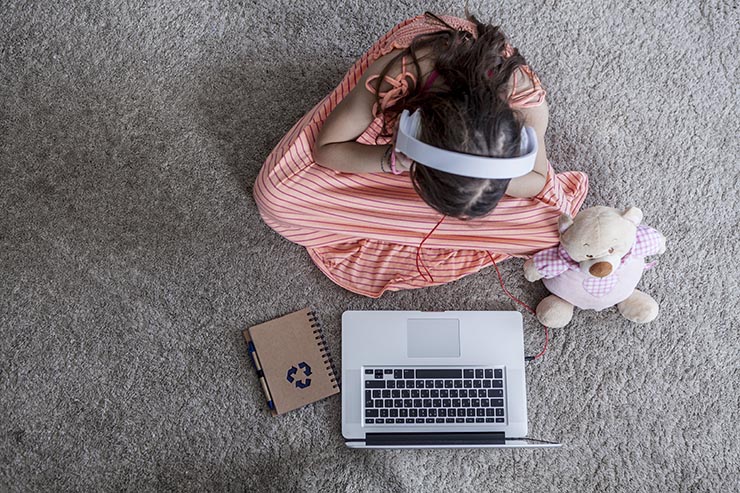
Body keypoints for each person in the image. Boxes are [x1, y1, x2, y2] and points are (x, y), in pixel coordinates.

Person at [254, 12, 588, 298]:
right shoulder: (402, 71)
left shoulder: (525, 99)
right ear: (413, 131)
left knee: (551, 231)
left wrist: (487, 178)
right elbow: (327, 149)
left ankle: (405, 211)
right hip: (398, 134)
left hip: (450, 158)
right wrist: (390, 160)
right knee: (276, 197)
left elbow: (535, 181)